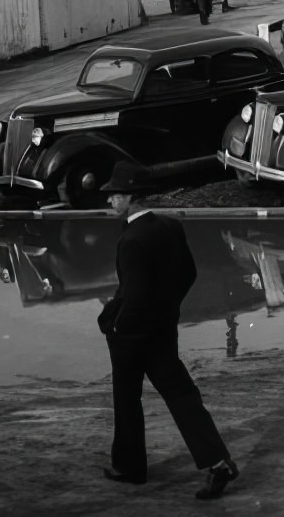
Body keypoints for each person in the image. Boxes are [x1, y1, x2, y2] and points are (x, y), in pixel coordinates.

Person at [98, 168, 239, 501]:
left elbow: (134, 294)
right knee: (182, 396)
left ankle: (132, 469)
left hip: (133, 336)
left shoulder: (131, 240)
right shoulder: (170, 226)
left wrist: (119, 327)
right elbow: (187, 274)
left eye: (115, 194)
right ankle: (218, 462)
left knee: (127, 399)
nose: (110, 198)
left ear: (131, 198)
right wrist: (167, 309)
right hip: (163, 330)